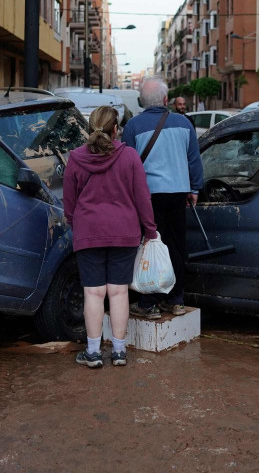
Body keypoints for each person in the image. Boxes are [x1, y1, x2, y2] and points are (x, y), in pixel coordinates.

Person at [63, 106, 157, 368]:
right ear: (117, 130)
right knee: (118, 293)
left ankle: (93, 353)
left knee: (93, 293)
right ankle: (118, 352)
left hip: (88, 231)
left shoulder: (76, 158)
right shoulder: (129, 157)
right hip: (124, 232)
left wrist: (75, 221)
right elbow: (142, 198)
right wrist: (150, 230)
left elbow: (68, 202)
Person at [122, 77, 203, 318]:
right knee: (176, 246)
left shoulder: (133, 126)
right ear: (166, 100)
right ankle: (176, 300)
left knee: (150, 245)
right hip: (178, 193)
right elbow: (194, 160)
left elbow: (127, 165)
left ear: (141, 102)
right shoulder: (183, 123)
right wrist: (195, 189)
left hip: (147, 196)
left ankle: (149, 303)